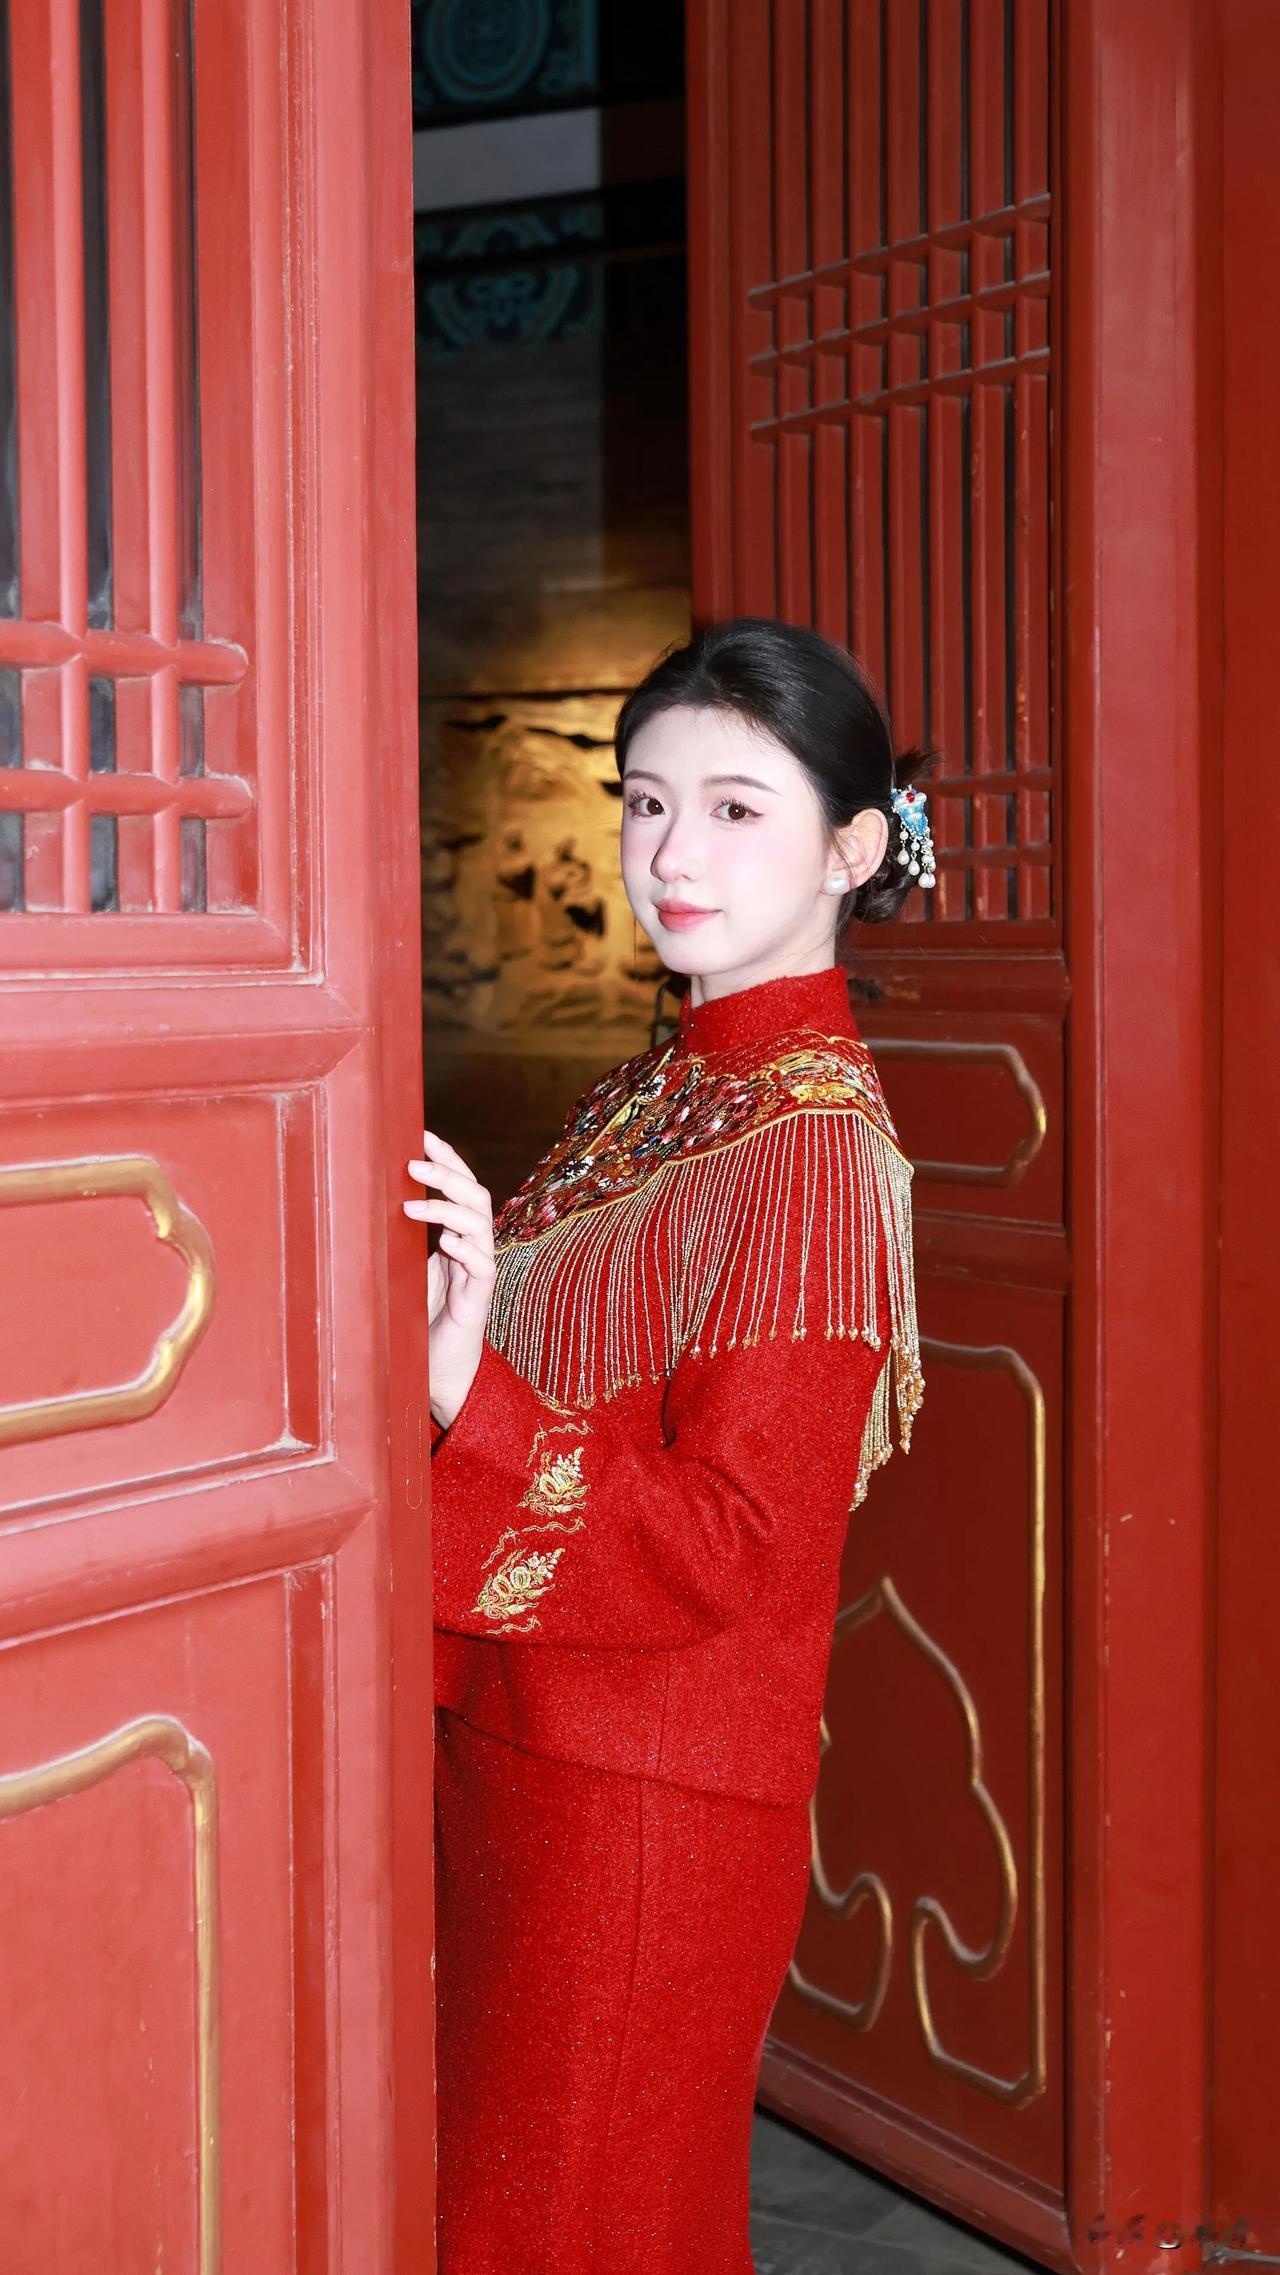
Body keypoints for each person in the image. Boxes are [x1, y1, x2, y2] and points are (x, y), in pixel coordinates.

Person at [406, 617, 935, 2275]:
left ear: (852, 848)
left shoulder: (812, 1150)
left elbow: (735, 1543)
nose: (670, 855)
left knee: (570, 2227)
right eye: (645, 802)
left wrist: (468, 1393)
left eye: (734, 809)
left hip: (640, 1799)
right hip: (524, 1745)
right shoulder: (667, 1089)